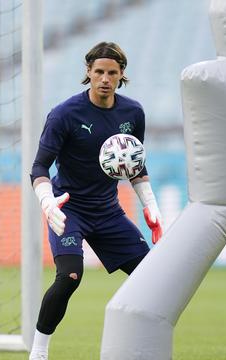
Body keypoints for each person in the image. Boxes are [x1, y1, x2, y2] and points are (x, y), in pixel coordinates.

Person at [28, 41, 163, 360]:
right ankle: (38, 352)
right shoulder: (64, 114)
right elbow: (38, 166)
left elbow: (134, 164)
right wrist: (47, 201)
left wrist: (149, 204)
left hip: (107, 212)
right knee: (70, 276)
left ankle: (140, 348)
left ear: (121, 75)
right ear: (88, 72)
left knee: (153, 278)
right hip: (68, 208)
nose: (105, 78)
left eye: (112, 72)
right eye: (99, 71)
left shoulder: (133, 112)